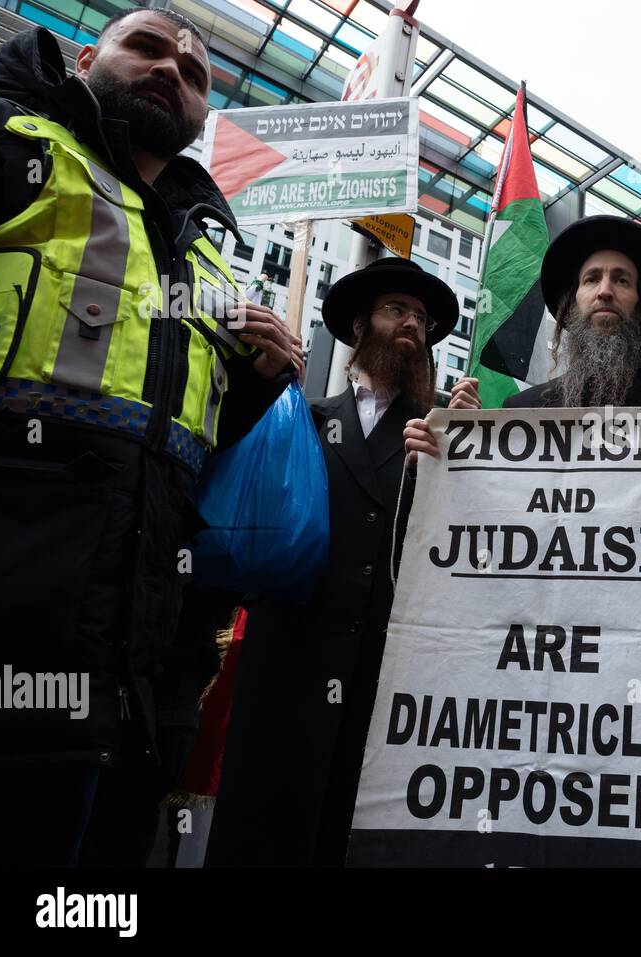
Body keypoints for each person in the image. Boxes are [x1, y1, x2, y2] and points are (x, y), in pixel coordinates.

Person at [0, 13, 298, 866]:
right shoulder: (8, 140)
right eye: (150, 49)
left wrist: (260, 378)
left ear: (201, 116)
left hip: (136, 668)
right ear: (87, 58)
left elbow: (182, 439)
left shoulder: (207, 253)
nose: (173, 71)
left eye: (195, 74)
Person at [207, 258, 480, 866]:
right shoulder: (300, 415)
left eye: (421, 318)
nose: (412, 323)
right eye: (396, 310)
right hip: (288, 657)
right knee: (261, 824)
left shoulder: (444, 436)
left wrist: (459, 459)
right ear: (360, 327)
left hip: (382, 672)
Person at [405, 215, 641, 556]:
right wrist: (447, 461)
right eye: (591, 279)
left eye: (621, 281)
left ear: (640, 310)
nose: (605, 290)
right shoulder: (521, 413)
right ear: (572, 307)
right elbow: (484, 525)